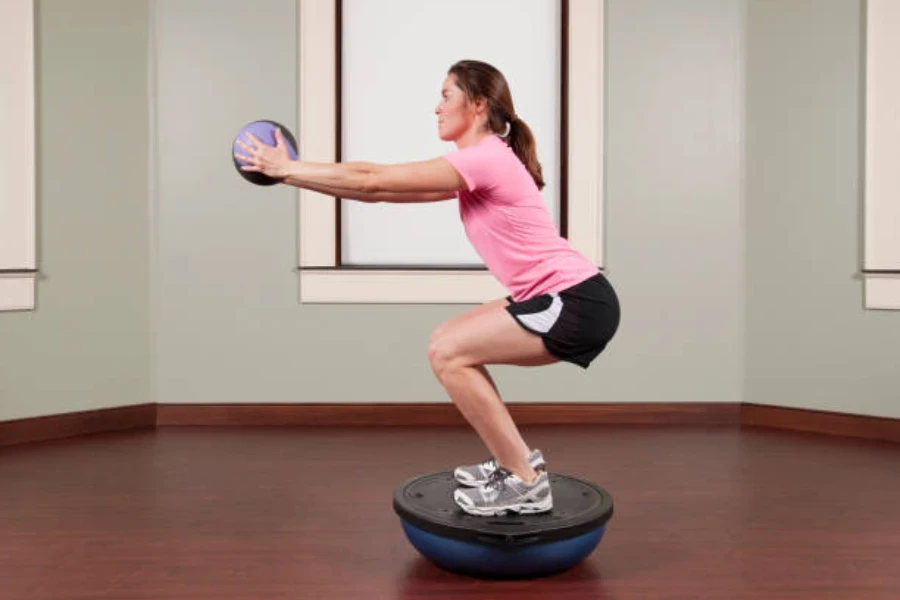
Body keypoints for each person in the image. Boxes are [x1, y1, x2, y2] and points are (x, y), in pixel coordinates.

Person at [234, 59, 620, 517]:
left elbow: (372, 177)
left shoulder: (486, 158)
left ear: (477, 106)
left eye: (446, 96)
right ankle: (514, 463)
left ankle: (525, 481)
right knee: (444, 343)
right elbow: (375, 192)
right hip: (564, 295)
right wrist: (293, 175)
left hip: (575, 301)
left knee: (449, 352)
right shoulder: (478, 164)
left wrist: (289, 167)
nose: (436, 108)